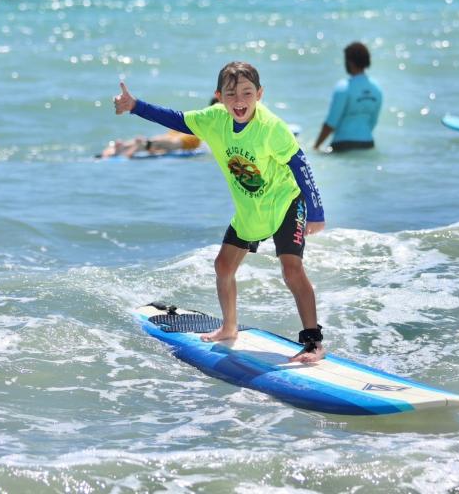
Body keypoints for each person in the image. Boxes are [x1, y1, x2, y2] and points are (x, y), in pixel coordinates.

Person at [113, 62, 326, 362]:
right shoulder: (214, 119)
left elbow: (300, 164)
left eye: (246, 93)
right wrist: (135, 106)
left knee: (291, 271)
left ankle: (313, 343)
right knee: (223, 266)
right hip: (250, 209)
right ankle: (229, 327)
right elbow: (176, 118)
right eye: (231, 94)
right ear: (219, 96)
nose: (239, 101)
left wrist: (316, 211)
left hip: (285, 202)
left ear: (260, 94)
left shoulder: (271, 128)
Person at [314, 42, 383, 152]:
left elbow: (331, 123)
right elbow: (373, 121)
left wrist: (316, 146)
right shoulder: (377, 89)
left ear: (350, 62)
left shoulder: (343, 87)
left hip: (343, 145)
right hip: (368, 143)